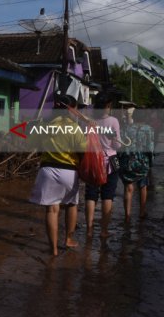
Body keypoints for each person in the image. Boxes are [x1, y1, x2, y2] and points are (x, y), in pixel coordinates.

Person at [29, 93, 87, 256]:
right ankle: (68, 239)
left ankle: (53, 249)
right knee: (71, 205)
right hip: (69, 171)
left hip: (47, 170)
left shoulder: (45, 125)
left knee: (51, 210)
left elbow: (35, 145)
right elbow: (83, 151)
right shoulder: (75, 128)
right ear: (71, 110)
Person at [84, 93, 121, 238]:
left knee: (91, 195)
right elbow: (117, 144)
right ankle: (104, 231)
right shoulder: (113, 121)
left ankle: (89, 230)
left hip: (93, 161)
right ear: (108, 106)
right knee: (108, 196)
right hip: (109, 162)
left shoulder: (90, 121)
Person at [119, 106, 154, 221]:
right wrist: (151, 163)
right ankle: (142, 212)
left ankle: (127, 216)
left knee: (128, 188)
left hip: (128, 161)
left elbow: (122, 146)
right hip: (142, 161)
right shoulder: (149, 129)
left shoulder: (126, 128)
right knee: (143, 186)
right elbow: (150, 148)